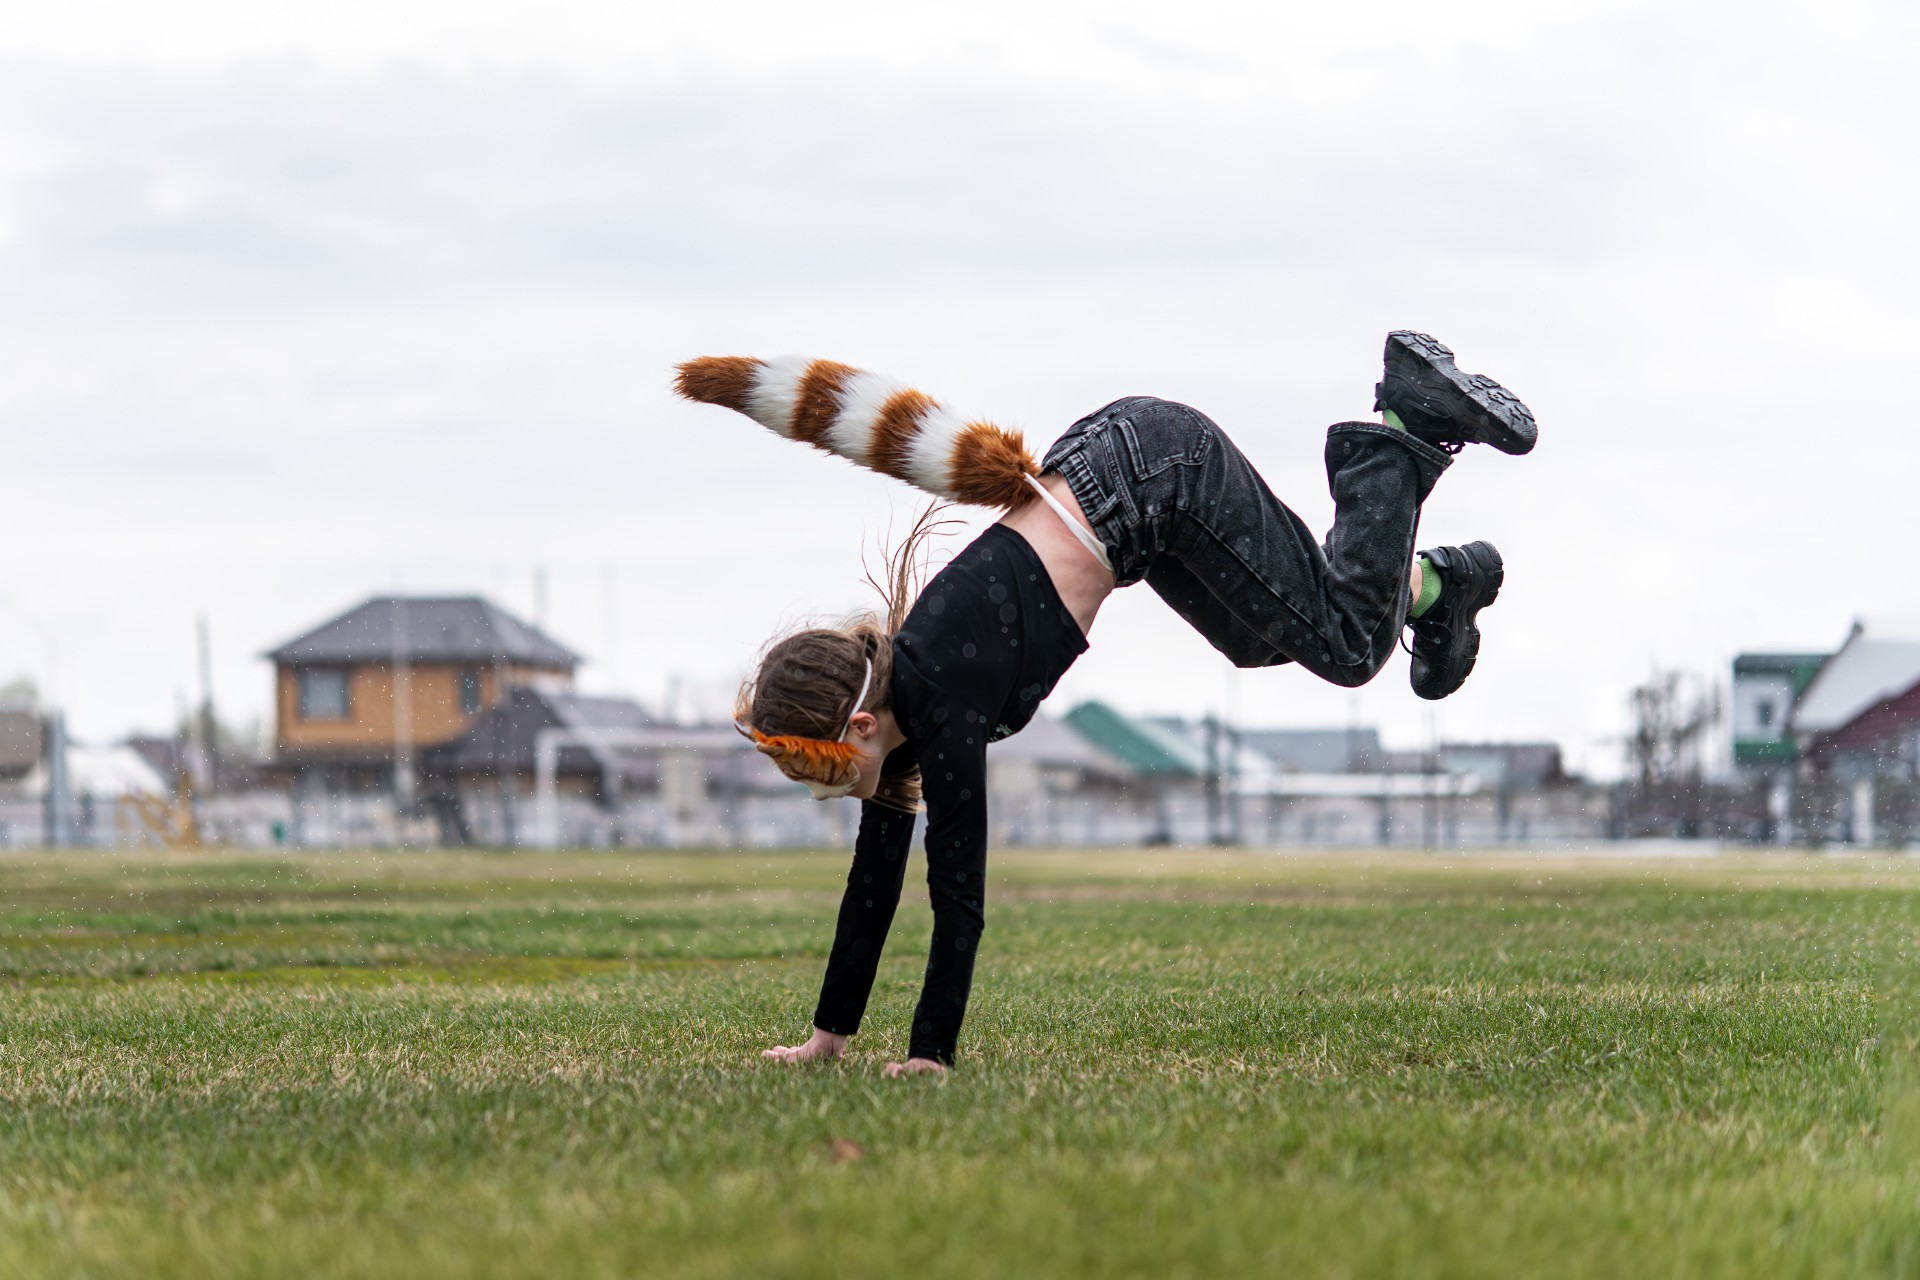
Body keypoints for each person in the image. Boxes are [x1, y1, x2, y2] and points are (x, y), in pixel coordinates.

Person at [675, 331, 1536, 1076]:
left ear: (857, 726)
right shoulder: (906, 704)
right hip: (1133, 481)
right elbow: (874, 885)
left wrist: (929, 1054)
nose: (821, 790)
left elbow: (957, 891)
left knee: (1347, 647)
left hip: (1161, 473)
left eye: (815, 771)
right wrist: (829, 1040)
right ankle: (1436, 586)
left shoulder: (942, 687)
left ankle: (1400, 433)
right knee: (1263, 638)